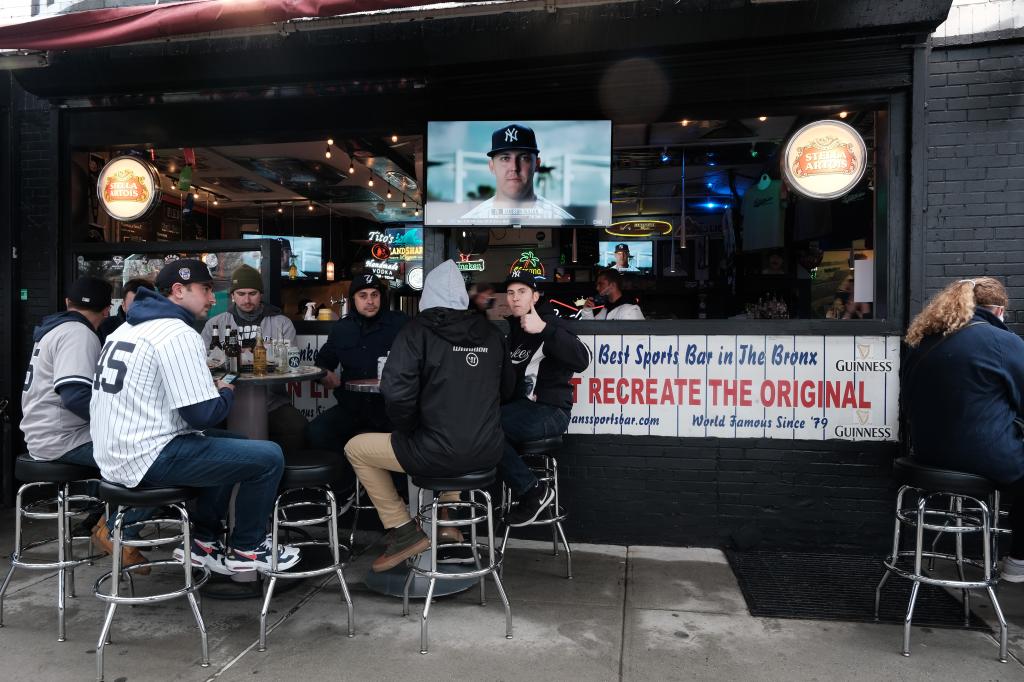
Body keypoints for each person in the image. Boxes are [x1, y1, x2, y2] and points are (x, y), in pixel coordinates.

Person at [90, 259, 299, 574]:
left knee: (237, 445)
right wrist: (226, 387)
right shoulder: (176, 332)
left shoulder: (127, 327)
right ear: (178, 290)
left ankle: (203, 543)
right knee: (269, 455)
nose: (213, 299)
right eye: (205, 289)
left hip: (113, 454)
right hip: (149, 456)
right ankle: (248, 547)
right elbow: (203, 415)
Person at [344, 260, 514, 572]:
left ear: (427, 296)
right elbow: (508, 390)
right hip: (488, 452)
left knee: (356, 448)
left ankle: (404, 530)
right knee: (449, 440)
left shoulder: (416, 331)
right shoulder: (492, 334)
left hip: (435, 452)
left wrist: (408, 428)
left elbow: (395, 392)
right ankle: (445, 518)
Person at [20, 276, 152, 571]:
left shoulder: (53, 329)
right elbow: (76, 396)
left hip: (46, 434)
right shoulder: (78, 335)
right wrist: (119, 421)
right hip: (63, 439)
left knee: (143, 451)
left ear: (67, 303)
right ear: (108, 310)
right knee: (154, 459)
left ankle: (111, 524)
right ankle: (119, 531)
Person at [902, 277, 1024, 583]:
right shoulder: (1002, 342)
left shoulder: (924, 340)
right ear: (998, 310)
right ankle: (1017, 561)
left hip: (925, 453)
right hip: (977, 456)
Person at [500, 271, 591, 525]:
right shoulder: (514, 330)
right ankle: (530, 491)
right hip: (521, 411)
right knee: (481, 425)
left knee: (486, 427)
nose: (515, 298)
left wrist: (545, 329)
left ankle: (534, 493)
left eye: (522, 292)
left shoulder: (551, 324)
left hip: (551, 411)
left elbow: (583, 359)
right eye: (510, 292)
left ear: (535, 296)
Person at [306, 274, 408, 488]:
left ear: (382, 297)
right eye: (363, 296)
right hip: (352, 408)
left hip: (392, 410)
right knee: (317, 431)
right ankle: (345, 487)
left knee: (408, 438)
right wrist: (324, 374)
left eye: (374, 295)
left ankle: (399, 496)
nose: (370, 301)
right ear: (353, 300)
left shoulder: (401, 324)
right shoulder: (342, 328)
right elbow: (321, 363)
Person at [201, 264, 307, 455]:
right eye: (241, 293)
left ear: (261, 294)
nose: (247, 299)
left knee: (296, 426)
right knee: (204, 430)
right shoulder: (215, 324)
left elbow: (288, 362)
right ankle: (223, 481)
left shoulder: (281, 323)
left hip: (271, 401)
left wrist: (236, 356)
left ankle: (281, 479)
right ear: (233, 295)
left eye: (253, 293)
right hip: (225, 401)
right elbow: (203, 364)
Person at [459, 124, 574, 222]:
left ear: (537, 164)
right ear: (492, 166)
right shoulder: (469, 221)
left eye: (524, 158)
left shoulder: (563, 221)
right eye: (505, 158)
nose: (514, 167)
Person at [98, 277, 152, 342]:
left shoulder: (159, 328)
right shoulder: (105, 327)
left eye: (145, 304)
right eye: (134, 304)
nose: (139, 309)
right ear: (123, 305)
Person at [580, 268, 644, 320]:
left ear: (612, 285)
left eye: (601, 284)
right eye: (597, 285)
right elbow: (592, 330)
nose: (597, 288)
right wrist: (587, 311)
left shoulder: (630, 310)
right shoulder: (606, 309)